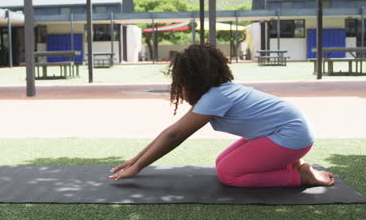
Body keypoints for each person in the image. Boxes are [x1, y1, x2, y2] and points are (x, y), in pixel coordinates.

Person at [109, 44, 335, 188]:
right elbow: (170, 131)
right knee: (221, 162)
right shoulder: (217, 92)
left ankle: (300, 177)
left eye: (181, 81)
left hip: (291, 137)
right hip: (287, 133)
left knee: (228, 174)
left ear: (192, 80)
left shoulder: (215, 98)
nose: (179, 87)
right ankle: (294, 166)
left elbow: (175, 136)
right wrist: (135, 161)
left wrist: (139, 167)